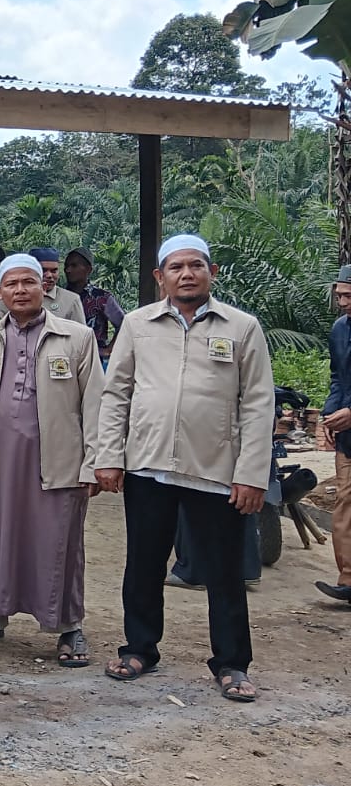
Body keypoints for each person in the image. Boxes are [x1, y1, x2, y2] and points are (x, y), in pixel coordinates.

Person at [97, 234, 274, 702]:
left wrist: (252, 473)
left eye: (196, 265)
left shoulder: (241, 327)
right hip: (148, 466)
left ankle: (232, 663)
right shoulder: (138, 325)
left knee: (224, 570)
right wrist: (109, 456)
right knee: (144, 562)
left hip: (215, 470)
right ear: (160, 278)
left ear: (212, 273)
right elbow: (117, 393)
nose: (187, 273)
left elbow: (258, 403)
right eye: (176, 267)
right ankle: (139, 648)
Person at [0, 254, 103, 665]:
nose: (20, 290)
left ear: (45, 289)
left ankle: (68, 626)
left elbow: (96, 404)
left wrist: (94, 461)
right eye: (11, 284)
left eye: (29, 283)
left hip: (59, 460)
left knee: (60, 542)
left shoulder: (77, 338)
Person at [315, 264, 351, 603]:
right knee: (345, 506)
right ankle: (348, 579)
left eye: (348, 295)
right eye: (339, 295)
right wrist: (328, 417)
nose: (342, 302)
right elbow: (338, 378)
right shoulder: (340, 330)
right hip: (348, 439)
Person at [64, 248, 126, 365]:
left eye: (74, 266)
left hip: (94, 360)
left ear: (88, 269)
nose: (68, 270)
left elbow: (124, 324)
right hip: (65, 358)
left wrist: (109, 349)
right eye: (66, 266)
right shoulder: (60, 296)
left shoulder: (101, 297)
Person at [28, 247, 87, 324]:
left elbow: (81, 333)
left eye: (54, 271)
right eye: (43, 270)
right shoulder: (17, 298)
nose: (49, 275)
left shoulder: (71, 300)